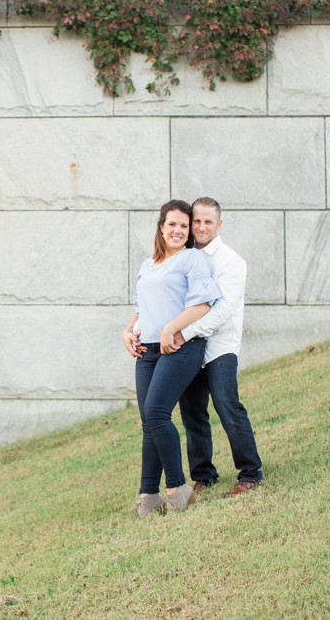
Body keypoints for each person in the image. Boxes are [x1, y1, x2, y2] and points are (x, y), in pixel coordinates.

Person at [123, 199, 221, 517]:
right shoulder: (148, 264)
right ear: (161, 227)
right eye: (172, 224)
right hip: (147, 351)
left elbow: (204, 304)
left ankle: (178, 488)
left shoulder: (192, 259)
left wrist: (172, 327)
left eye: (183, 225)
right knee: (149, 423)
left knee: (157, 413)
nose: (177, 230)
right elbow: (141, 308)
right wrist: (128, 331)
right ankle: (148, 495)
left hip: (180, 347)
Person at [175, 197, 263, 497]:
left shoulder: (231, 261)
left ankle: (250, 473)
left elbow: (223, 310)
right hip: (189, 345)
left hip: (219, 345)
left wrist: (184, 333)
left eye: (207, 222)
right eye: (196, 221)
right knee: (191, 410)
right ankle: (204, 476)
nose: (200, 227)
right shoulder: (183, 256)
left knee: (227, 405)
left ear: (219, 224)